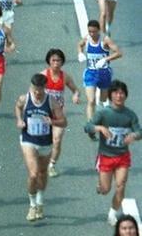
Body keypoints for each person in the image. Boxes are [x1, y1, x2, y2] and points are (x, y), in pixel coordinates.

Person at [85, 80, 141, 226]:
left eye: (122, 93)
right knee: (105, 189)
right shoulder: (103, 113)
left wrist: (134, 136)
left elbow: (139, 131)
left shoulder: (130, 115)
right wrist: (99, 128)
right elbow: (88, 126)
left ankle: (113, 213)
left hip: (122, 156)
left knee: (121, 185)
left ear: (126, 95)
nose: (119, 96)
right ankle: (101, 186)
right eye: (116, 93)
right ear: (110, 95)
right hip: (106, 155)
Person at [15, 73, 66, 221]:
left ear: (45, 88)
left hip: (45, 142)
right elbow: (18, 107)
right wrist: (19, 120)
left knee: (43, 173)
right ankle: (32, 206)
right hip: (28, 140)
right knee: (33, 174)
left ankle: (40, 201)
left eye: (40, 90)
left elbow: (64, 122)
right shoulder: (24, 98)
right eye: (34, 89)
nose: (37, 93)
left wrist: (52, 122)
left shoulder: (51, 102)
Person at [41, 49, 80, 178]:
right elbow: (32, 92)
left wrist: (75, 96)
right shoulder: (43, 76)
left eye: (58, 60)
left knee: (57, 140)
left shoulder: (65, 77)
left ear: (62, 62)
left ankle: (51, 165)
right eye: (53, 60)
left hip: (59, 113)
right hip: (43, 113)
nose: (56, 63)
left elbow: (75, 90)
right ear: (49, 61)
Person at [78, 19, 122, 119]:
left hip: (104, 73)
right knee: (91, 100)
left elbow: (119, 53)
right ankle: (91, 125)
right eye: (90, 31)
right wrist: (80, 53)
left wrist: (106, 59)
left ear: (99, 30)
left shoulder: (105, 40)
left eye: (94, 31)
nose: (92, 34)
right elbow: (80, 45)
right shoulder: (87, 38)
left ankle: (101, 115)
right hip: (91, 73)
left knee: (103, 100)